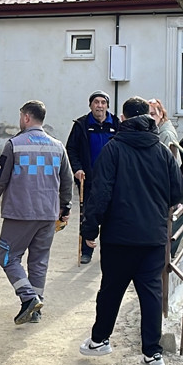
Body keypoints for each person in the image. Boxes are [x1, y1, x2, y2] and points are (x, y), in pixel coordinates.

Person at [77, 97, 183, 365]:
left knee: (111, 290)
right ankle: (152, 353)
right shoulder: (161, 151)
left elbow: (100, 194)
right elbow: (177, 193)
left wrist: (89, 229)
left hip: (119, 237)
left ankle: (100, 340)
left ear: (122, 119)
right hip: (154, 237)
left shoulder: (113, 150)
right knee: (151, 294)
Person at [0, 100, 73, 325]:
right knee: (39, 261)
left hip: (20, 213)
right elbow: (67, 180)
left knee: (6, 257)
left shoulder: (15, 144)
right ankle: (36, 307)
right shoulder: (58, 146)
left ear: (25, 117)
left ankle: (29, 297)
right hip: (48, 213)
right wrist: (65, 207)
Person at [65, 90, 117, 264]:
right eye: (96, 102)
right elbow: (71, 149)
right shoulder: (81, 125)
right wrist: (77, 169)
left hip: (111, 180)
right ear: (90, 105)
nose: (100, 106)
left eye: (103, 102)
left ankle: (109, 252)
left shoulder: (116, 124)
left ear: (107, 106)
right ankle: (86, 251)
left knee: (111, 217)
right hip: (88, 180)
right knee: (87, 216)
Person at [148, 98, 181, 169]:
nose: (149, 118)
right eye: (147, 115)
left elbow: (170, 165)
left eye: (152, 114)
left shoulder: (166, 134)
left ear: (161, 114)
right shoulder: (155, 131)